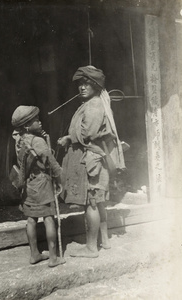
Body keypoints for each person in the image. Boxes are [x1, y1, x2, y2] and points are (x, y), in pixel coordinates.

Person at [57, 65, 125, 258]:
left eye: (87, 83)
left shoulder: (94, 105)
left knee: (92, 203)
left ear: (96, 86)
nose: (82, 87)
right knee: (99, 201)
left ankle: (91, 248)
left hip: (91, 160)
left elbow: (89, 134)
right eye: (80, 84)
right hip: (96, 157)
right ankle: (104, 240)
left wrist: (70, 137)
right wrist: (70, 137)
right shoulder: (91, 103)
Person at [11, 105, 65, 267]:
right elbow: (52, 164)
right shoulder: (38, 141)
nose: (40, 122)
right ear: (27, 125)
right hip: (42, 183)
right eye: (36, 121)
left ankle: (34, 254)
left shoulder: (19, 140)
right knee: (49, 218)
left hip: (28, 185)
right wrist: (61, 178)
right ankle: (54, 258)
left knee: (31, 219)